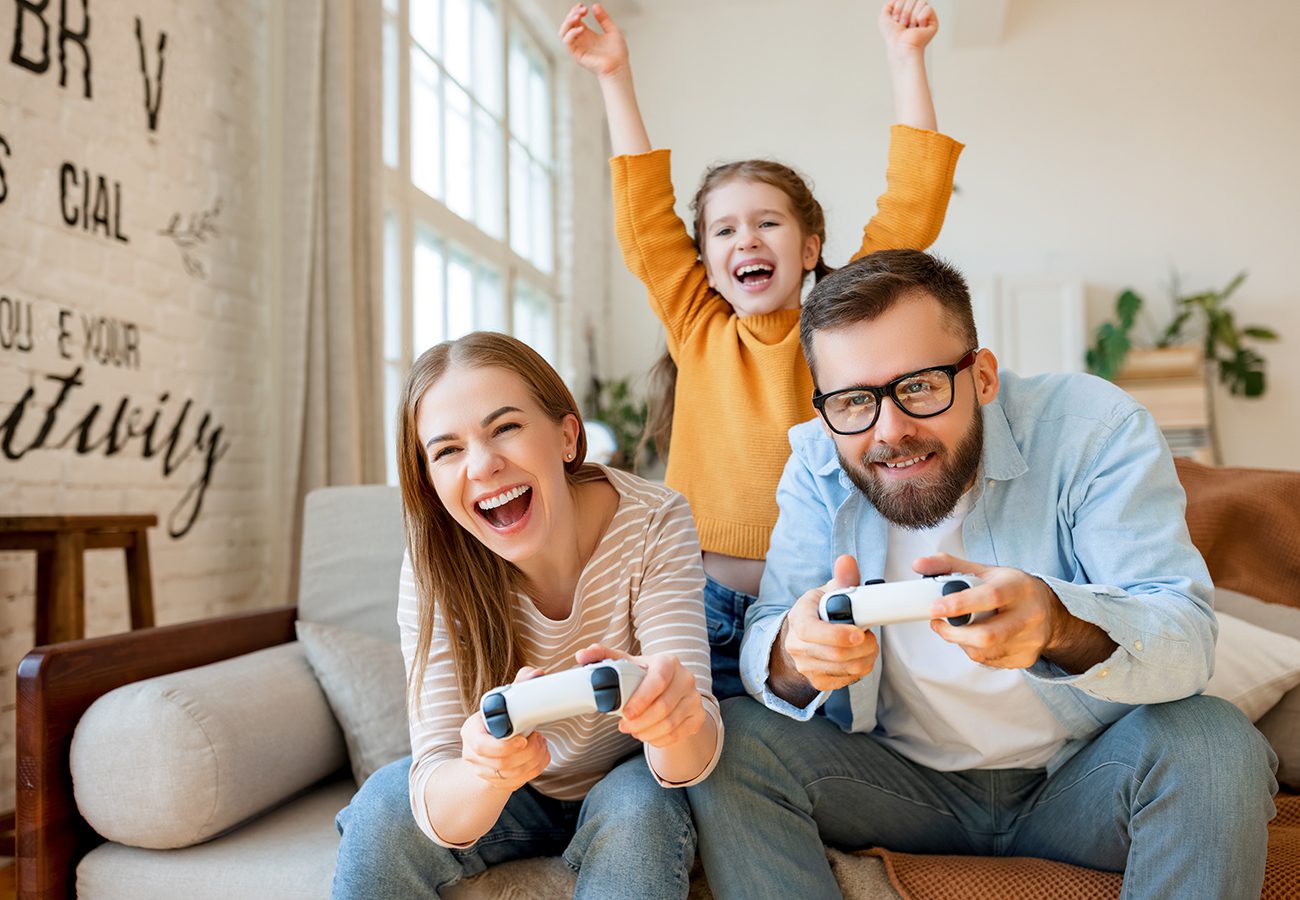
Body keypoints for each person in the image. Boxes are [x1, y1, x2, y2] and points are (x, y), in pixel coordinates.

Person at [686, 250, 1278, 899]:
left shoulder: (1094, 431)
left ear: (984, 376)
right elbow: (771, 639)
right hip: (895, 785)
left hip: (1083, 776)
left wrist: (1058, 623)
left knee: (1215, 741)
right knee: (729, 744)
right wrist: (798, 654)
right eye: (854, 400)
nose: (890, 431)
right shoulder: (817, 461)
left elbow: (1186, 639)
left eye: (919, 386)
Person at [561, 1, 965, 699]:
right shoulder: (696, 323)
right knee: (689, 743)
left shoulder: (842, 333)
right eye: (723, 231)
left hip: (813, 611)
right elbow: (644, 221)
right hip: (696, 605)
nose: (745, 238)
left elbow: (913, 206)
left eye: (767, 223)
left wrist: (908, 61)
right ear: (706, 265)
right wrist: (613, 76)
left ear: (809, 249)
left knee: (794, 748)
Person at [332, 332, 722, 899]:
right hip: (511, 796)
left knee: (641, 815)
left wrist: (673, 720)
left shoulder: (654, 520)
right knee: (382, 807)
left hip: (628, 775)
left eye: (505, 428)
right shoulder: (432, 566)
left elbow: (691, 759)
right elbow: (441, 795)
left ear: (566, 436)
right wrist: (488, 772)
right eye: (447, 451)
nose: (483, 465)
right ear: (430, 482)